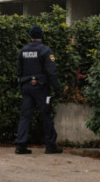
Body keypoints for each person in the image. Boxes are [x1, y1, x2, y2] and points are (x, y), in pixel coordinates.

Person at [14, 25, 63, 154]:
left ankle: (20, 145)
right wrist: (57, 90)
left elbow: (19, 71)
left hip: (26, 87)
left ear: (30, 36)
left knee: (25, 116)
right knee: (46, 114)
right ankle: (50, 145)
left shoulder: (23, 51)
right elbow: (52, 72)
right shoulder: (45, 51)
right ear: (41, 36)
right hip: (41, 88)